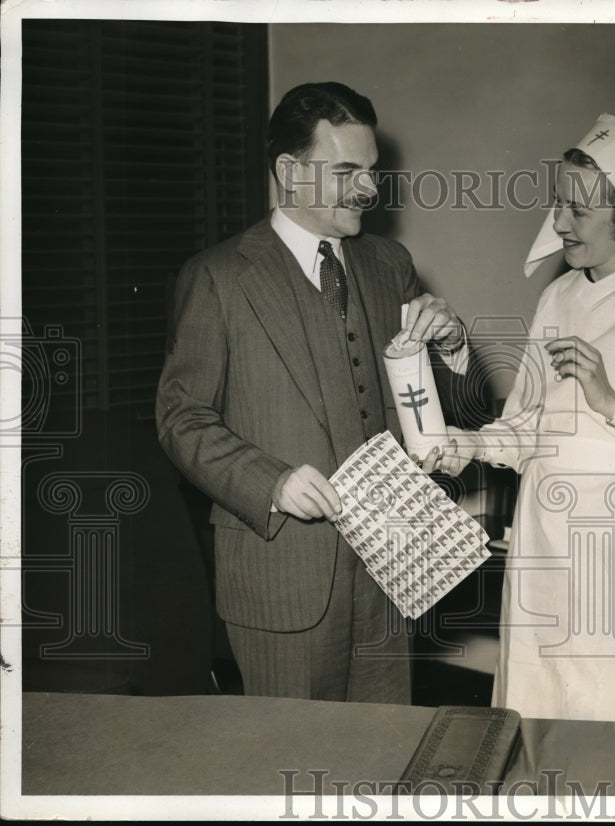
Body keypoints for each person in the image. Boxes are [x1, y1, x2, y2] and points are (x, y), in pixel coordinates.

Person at [156, 82, 467, 702]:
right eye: (347, 171)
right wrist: (269, 480)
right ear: (289, 173)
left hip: (390, 568)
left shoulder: (390, 265)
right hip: (282, 576)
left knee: (382, 761)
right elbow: (180, 418)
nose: (369, 189)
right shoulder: (217, 277)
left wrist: (453, 348)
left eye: (372, 171)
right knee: (290, 770)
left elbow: (432, 414)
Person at [426, 114, 615, 722]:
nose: (559, 223)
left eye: (577, 210)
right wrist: (470, 444)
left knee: (607, 736)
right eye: (557, 205)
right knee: (536, 724)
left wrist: (612, 402)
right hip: (542, 549)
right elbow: (529, 427)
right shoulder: (558, 298)